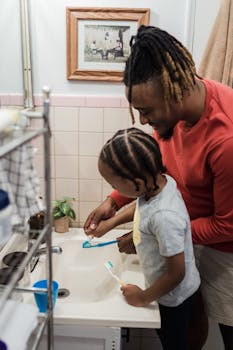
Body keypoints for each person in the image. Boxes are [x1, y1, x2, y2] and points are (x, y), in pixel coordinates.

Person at [84, 25, 233, 350]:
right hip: (187, 233)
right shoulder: (174, 113)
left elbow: (227, 224)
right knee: (190, 327)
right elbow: (153, 164)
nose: (141, 120)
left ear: (175, 92)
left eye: (147, 111)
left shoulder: (226, 139)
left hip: (225, 250)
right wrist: (114, 200)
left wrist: (161, 238)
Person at [97, 127, 200, 350]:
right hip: (170, 289)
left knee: (174, 344)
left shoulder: (164, 216)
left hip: (174, 298)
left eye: (115, 185)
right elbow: (145, 210)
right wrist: (113, 222)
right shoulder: (161, 184)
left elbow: (176, 273)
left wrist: (142, 297)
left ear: (136, 183)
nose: (114, 190)